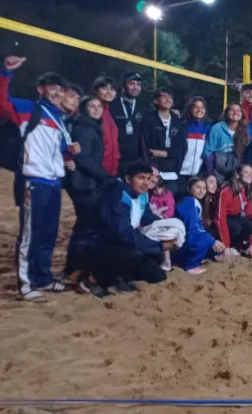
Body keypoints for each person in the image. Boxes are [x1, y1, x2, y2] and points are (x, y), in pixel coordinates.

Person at [0, 57, 76, 299]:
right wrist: (5, 73)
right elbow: (2, 103)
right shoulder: (28, 109)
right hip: (34, 182)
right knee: (30, 234)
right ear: (41, 89)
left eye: (61, 89)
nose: (57, 93)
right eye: (52, 87)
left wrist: (69, 154)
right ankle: (26, 284)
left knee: (48, 234)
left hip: (54, 184)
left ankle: (42, 278)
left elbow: (58, 152)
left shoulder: (59, 119)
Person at [91, 162, 173, 297]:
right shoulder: (117, 196)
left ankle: (122, 275)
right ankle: (93, 280)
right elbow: (123, 233)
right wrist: (159, 245)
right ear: (128, 179)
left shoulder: (142, 195)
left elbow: (146, 217)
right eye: (141, 178)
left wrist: (168, 227)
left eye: (149, 178)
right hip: (104, 244)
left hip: (126, 242)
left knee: (158, 276)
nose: (146, 183)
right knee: (135, 254)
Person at [62, 96, 111, 285]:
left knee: (85, 226)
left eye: (99, 106)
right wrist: (105, 176)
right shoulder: (85, 128)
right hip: (84, 185)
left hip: (87, 183)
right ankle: (74, 270)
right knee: (86, 228)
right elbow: (83, 159)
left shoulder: (91, 127)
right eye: (92, 106)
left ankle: (76, 269)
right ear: (84, 109)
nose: (97, 109)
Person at [174, 177, 225, 273]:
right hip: (182, 241)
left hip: (184, 238)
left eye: (204, 188)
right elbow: (192, 228)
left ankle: (202, 258)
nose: (201, 191)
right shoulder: (190, 202)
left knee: (210, 238)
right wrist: (212, 241)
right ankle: (190, 265)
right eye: (198, 187)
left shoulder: (192, 201)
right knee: (206, 238)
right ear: (190, 188)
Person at [140, 88, 185, 194]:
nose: (168, 99)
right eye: (164, 96)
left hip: (171, 170)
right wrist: (149, 164)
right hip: (153, 169)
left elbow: (181, 147)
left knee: (170, 200)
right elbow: (143, 143)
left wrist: (166, 153)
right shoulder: (148, 119)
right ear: (156, 101)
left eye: (170, 97)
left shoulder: (177, 121)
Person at [217, 164, 252, 257]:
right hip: (224, 221)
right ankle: (230, 246)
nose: (250, 175)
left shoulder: (248, 190)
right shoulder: (226, 191)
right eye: (246, 172)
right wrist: (226, 246)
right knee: (237, 227)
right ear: (237, 175)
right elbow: (221, 220)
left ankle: (242, 246)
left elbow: (249, 217)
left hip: (237, 218)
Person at [204, 104, 250, 179]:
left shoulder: (245, 130)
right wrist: (211, 172)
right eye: (232, 110)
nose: (235, 113)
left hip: (235, 169)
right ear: (226, 113)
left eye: (238, 111)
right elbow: (207, 152)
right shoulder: (217, 128)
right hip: (216, 168)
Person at [110, 72, 143, 175]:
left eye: (138, 84)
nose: (135, 87)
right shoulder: (112, 105)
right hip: (115, 158)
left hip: (135, 159)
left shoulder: (143, 108)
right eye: (132, 84)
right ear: (124, 85)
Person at [91, 76, 120, 177]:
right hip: (97, 172)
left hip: (111, 171)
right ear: (95, 91)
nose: (109, 92)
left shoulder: (109, 112)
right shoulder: (92, 111)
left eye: (112, 89)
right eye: (104, 88)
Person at [179, 96, 211, 184]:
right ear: (190, 108)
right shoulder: (182, 125)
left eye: (202, 107)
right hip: (180, 172)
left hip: (198, 174)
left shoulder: (208, 127)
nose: (199, 110)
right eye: (196, 107)